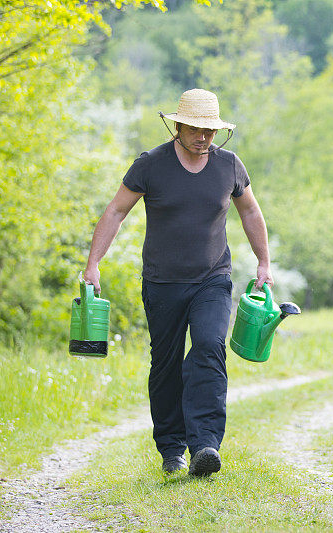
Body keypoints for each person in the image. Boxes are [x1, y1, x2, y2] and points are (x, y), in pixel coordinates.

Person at [83, 88, 273, 477]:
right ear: (179, 126)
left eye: (211, 130)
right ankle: (172, 449)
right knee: (166, 364)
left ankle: (204, 444)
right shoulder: (150, 165)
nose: (204, 137)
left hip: (212, 279)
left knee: (208, 346)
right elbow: (117, 211)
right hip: (162, 283)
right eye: (197, 129)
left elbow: (250, 210)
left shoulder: (230, 166)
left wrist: (264, 262)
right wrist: (93, 263)